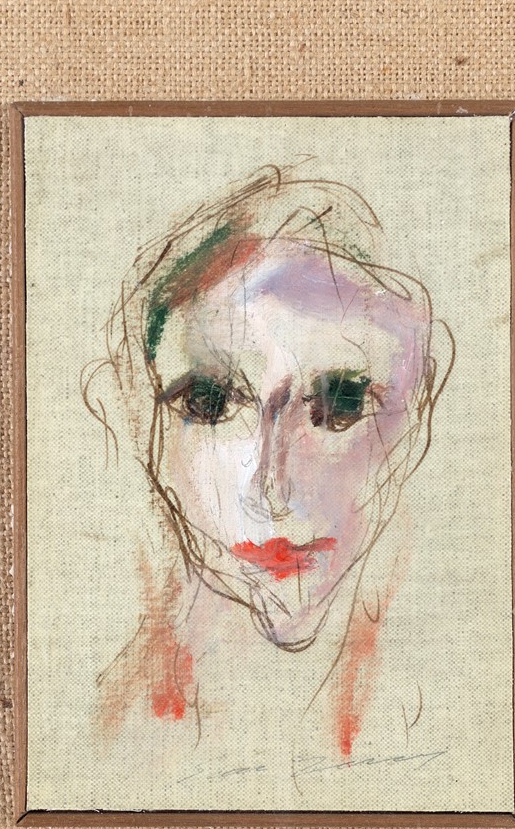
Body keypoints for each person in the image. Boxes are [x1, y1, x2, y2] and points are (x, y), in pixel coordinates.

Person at [84, 166, 450, 760]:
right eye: (209, 403)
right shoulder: (108, 738)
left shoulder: (449, 721)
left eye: (341, 405)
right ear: (140, 419)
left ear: (418, 414)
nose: (271, 489)